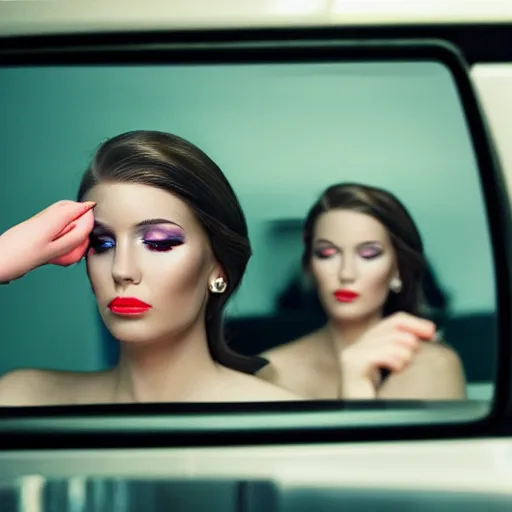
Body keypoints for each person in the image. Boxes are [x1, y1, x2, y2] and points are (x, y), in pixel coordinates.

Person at [0, 130, 299, 405]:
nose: (122, 270)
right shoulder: (22, 398)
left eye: (159, 243)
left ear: (217, 269)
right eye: (103, 243)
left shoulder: (283, 419)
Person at [257, 183, 467, 400]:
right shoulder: (273, 370)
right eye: (327, 253)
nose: (346, 273)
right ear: (311, 265)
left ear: (397, 271)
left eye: (368, 254)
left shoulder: (434, 366)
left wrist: (356, 387)